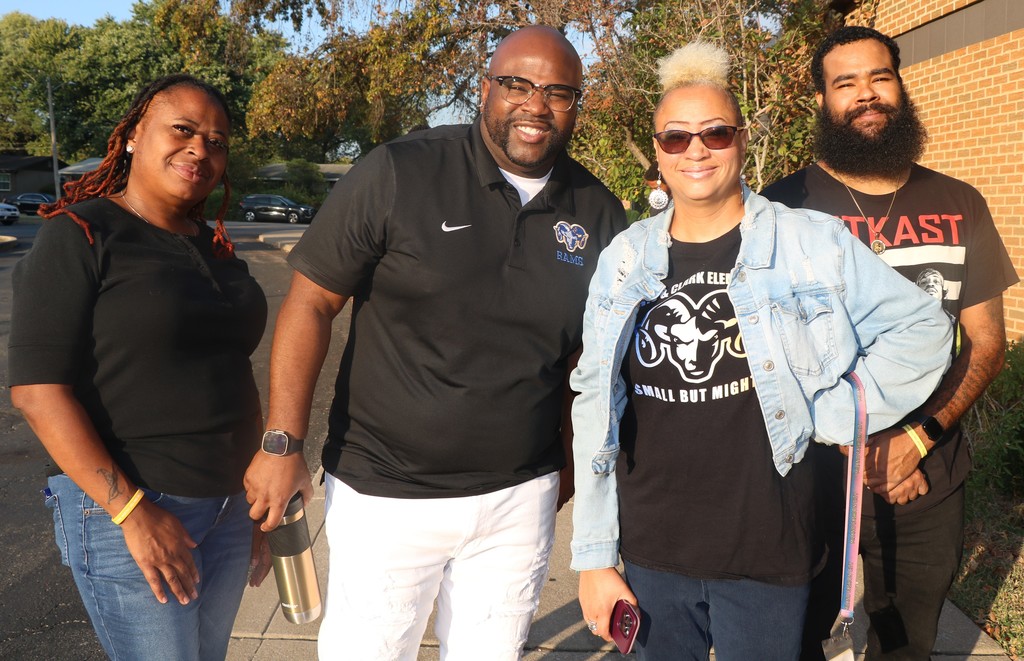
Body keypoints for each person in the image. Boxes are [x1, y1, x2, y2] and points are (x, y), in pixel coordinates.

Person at [242, 25, 627, 660]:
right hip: (386, 494)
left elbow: (585, 360)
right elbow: (312, 301)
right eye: (517, 85)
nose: (536, 105)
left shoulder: (598, 212)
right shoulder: (400, 171)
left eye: (558, 92)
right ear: (484, 91)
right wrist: (283, 442)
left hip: (516, 499)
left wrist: (567, 459)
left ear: (577, 107)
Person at [570, 41, 955, 661]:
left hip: (768, 544)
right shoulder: (623, 259)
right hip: (651, 549)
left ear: (742, 141)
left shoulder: (809, 242)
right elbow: (594, 398)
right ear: (658, 154)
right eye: (676, 138)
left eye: (715, 133)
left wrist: (833, 412)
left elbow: (923, 330)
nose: (696, 150)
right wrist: (592, 556)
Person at [761, 26, 1019, 660]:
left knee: (906, 643)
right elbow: (769, 349)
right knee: (791, 637)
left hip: (928, 473)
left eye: (879, 77)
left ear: (900, 86)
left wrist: (916, 440)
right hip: (811, 473)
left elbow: (987, 344)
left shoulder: (959, 203)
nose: (865, 95)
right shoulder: (781, 207)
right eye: (844, 83)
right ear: (822, 101)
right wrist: (855, 446)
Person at [7, 74, 270, 660]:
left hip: (229, 505)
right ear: (130, 136)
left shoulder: (215, 248)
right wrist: (129, 510)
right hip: (134, 505)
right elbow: (36, 390)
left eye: (218, 140)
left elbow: (231, 374)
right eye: (183, 130)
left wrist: (257, 491)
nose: (201, 149)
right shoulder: (80, 235)